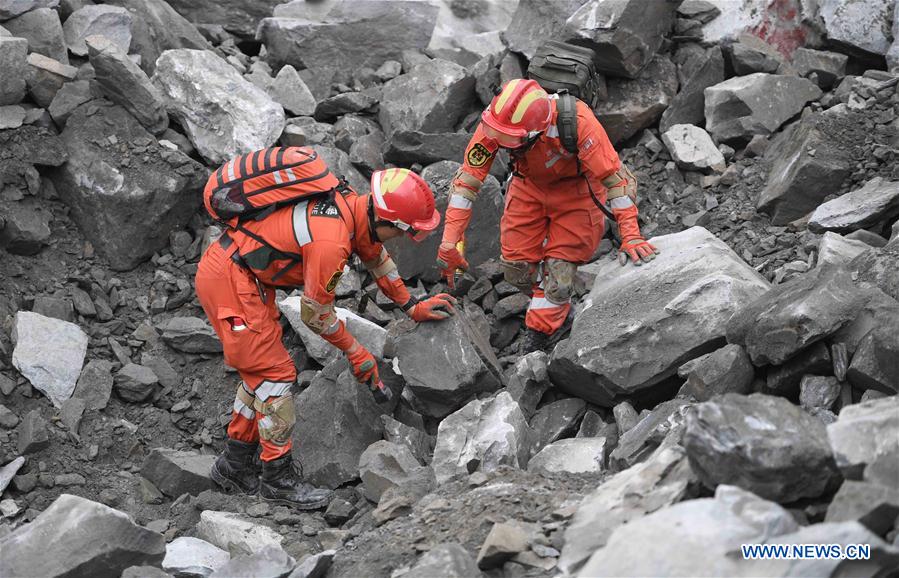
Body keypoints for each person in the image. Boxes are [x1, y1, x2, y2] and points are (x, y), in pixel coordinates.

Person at [195, 150, 456, 509]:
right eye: (404, 232)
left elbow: (377, 258)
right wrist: (356, 351)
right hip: (230, 280)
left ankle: (234, 465)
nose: (399, 240)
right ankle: (277, 479)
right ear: (390, 221)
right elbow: (316, 313)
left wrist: (410, 305)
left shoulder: (351, 205)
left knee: (259, 375)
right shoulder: (331, 240)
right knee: (274, 375)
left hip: (241, 276)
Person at [436, 79, 659, 353]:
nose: (501, 145)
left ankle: (543, 329)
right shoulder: (497, 123)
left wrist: (631, 235)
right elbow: (467, 181)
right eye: (498, 136)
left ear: (536, 131)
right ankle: (550, 299)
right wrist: (450, 239)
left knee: (560, 274)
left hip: (575, 194)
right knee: (516, 269)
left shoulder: (577, 122)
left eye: (510, 140)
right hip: (527, 187)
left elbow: (617, 181)